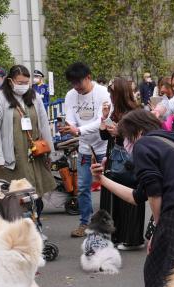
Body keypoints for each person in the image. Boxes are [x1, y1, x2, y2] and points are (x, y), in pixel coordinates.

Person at [92, 109, 174, 287]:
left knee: (160, 276)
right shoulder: (170, 143)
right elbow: (137, 196)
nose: (125, 144)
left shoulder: (144, 144)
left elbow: (155, 192)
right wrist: (102, 180)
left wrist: (156, 230)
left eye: (125, 138)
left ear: (137, 131)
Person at [0, 64, 56, 206]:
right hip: (12, 157)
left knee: (36, 195)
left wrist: (50, 152)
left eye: (26, 83)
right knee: (16, 198)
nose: (24, 86)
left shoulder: (34, 96)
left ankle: (36, 224)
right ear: (10, 81)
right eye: (20, 83)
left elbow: (44, 124)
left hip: (35, 153)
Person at [60, 61, 112, 238]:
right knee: (82, 186)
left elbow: (102, 121)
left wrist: (78, 130)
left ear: (88, 77)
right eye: (72, 83)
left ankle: (108, 223)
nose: (76, 87)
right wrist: (69, 127)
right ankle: (85, 223)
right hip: (84, 148)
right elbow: (70, 119)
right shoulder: (70, 95)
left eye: (78, 82)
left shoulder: (103, 93)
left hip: (104, 146)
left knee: (109, 186)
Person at [98, 77, 145, 250]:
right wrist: (104, 118)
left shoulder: (135, 112)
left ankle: (132, 238)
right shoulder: (115, 112)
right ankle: (118, 235)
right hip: (114, 159)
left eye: (112, 93)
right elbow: (104, 135)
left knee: (129, 197)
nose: (110, 97)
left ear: (119, 94)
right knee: (116, 197)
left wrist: (120, 131)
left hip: (129, 161)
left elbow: (138, 136)